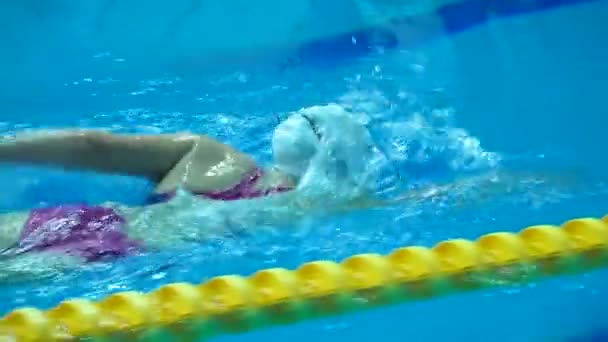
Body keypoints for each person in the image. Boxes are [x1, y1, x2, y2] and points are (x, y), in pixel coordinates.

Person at [0, 103, 384, 282]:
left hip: (81, 219)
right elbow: (385, 202)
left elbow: (89, 144)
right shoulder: (312, 204)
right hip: (103, 255)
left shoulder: (209, 155)